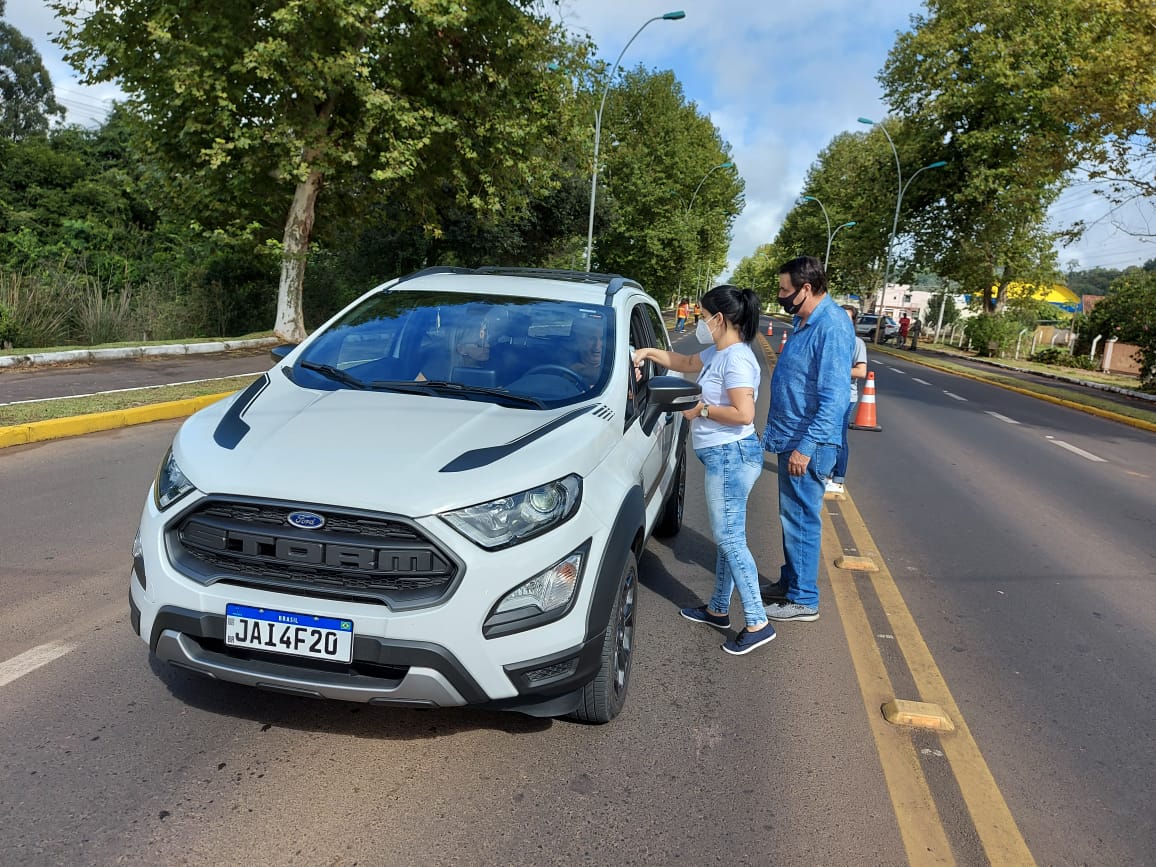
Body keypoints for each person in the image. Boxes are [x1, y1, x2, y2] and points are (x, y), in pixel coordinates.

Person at [633, 284, 774, 655]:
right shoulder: (718, 352)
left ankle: (758, 622)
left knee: (730, 539)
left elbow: (744, 414)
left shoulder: (738, 360)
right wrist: (649, 352)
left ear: (720, 318)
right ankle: (717, 609)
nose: (698, 321)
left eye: (702, 315)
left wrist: (702, 410)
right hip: (724, 456)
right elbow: (685, 363)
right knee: (730, 537)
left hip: (731, 455)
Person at [761, 256, 854, 623]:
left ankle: (803, 599)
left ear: (806, 289)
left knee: (801, 518)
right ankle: (791, 582)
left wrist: (806, 446)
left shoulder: (830, 326)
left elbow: (835, 398)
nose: (781, 295)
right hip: (792, 436)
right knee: (792, 517)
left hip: (807, 443)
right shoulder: (804, 320)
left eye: (785, 290)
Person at [826, 306, 868, 495]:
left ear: (853, 322)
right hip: (826, 394)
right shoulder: (830, 339)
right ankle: (825, 473)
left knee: (839, 437)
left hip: (845, 396)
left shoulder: (856, 343)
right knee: (825, 435)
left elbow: (861, 371)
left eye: (847, 318)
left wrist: (836, 372)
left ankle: (838, 479)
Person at [568, 316, 606, 386]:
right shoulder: (565, 362)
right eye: (592, 339)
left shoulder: (616, 362)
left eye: (602, 339)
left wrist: (583, 370)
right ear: (579, 341)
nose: (597, 345)